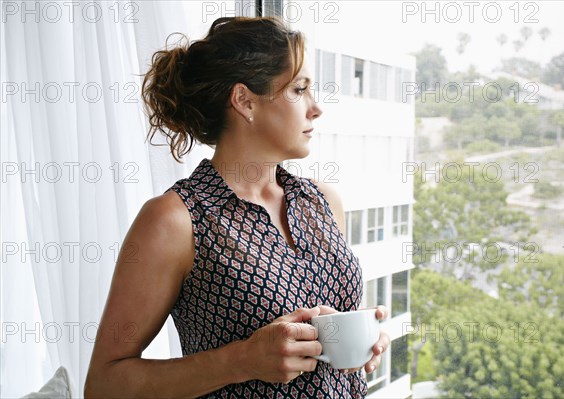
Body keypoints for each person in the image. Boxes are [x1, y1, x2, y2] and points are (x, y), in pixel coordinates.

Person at [85, 16, 390, 398]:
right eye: (299, 89)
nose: (316, 108)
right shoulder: (175, 220)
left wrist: (366, 342)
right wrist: (243, 360)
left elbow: (329, 342)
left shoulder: (324, 202)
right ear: (244, 101)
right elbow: (103, 385)